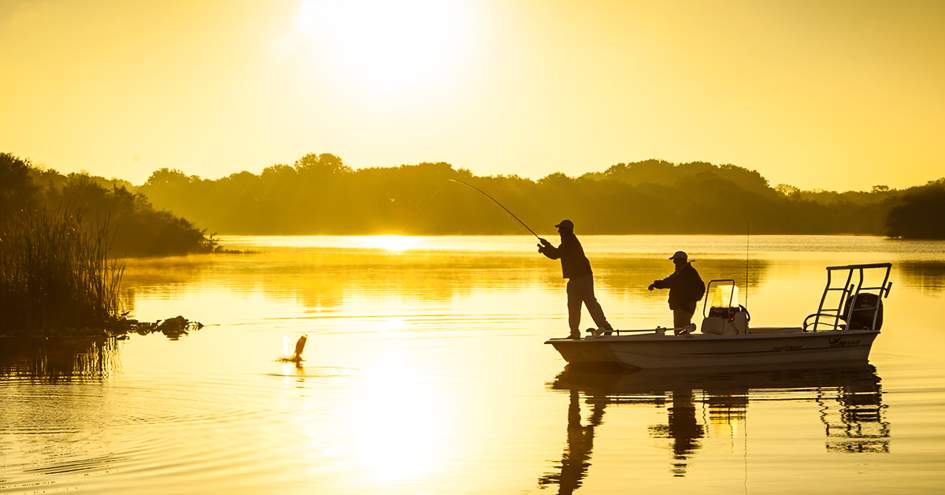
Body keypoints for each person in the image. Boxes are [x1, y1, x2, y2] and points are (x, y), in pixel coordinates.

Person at [538, 219, 615, 339]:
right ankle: (575, 332)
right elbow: (558, 252)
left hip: (583, 278)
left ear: (567, 230)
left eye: (560, 229)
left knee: (590, 303)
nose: (558, 231)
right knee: (573, 306)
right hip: (575, 279)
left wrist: (545, 249)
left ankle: (605, 327)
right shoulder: (568, 241)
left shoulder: (570, 241)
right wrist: (547, 246)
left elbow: (556, 254)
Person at [648, 251, 705, 334]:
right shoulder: (681, 272)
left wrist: (690, 300)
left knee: (681, 329)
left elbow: (670, 282)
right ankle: (682, 343)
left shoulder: (687, 273)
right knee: (680, 329)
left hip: (684, 306)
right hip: (681, 305)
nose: (674, 263)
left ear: (681, 261)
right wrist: (655, 284)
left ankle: (683, 345)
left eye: (675, 261)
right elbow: (669, 281)